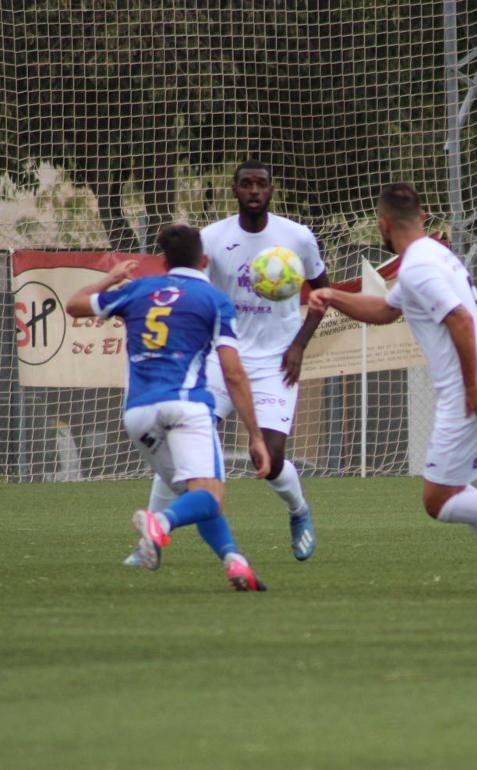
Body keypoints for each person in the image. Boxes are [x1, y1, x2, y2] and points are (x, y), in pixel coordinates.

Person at [308, 182, 477, 591]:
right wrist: (333, 295)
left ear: (382, 224)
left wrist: (472, 386)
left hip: (472, 390)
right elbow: (386, 311)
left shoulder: (418, 267)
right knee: (457, 488)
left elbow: (458, 319)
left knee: (438, 500)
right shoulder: (432, 254)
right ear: (422, 217)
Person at [66, 224, 270, 592]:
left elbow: (74, 304)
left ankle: (236, 562)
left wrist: (110, 279)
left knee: (198, 497)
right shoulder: (214, 299)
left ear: (163, 261)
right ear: (204, 260)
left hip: (139, 415)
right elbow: (233, 373)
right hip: (186, 406)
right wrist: (255, 435)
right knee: (208, 496)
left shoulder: (138, 289)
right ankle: (159, 525)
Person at [182, 160, 332, 562]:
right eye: (246, 183)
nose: (253, 190)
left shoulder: (297, 238)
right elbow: (194, 290)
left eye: (261, 184)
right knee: (191, 434)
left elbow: (323, 296)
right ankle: (156, 530)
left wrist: (299, 346)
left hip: (275, 361)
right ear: (234, 189)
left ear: (271, 189)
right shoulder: (211, 239)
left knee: (269, 455)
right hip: (222, 354)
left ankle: (298, 511)